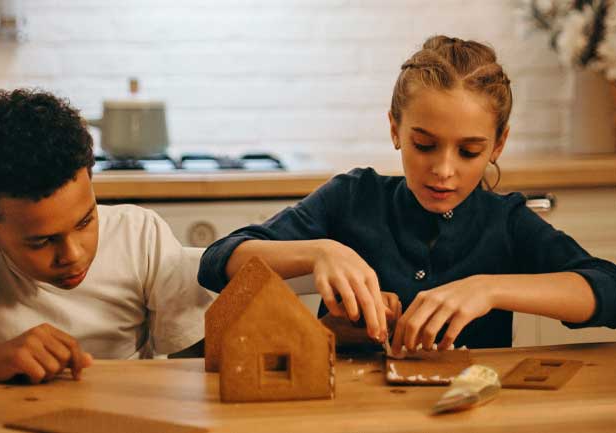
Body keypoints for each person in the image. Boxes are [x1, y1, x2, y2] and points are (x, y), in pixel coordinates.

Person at [197, 35, 616, 355]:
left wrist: (489, 289)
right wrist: (319, 252)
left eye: (469, 152)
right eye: (424, 144)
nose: (443, 170)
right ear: (395, 129)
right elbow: (218, 261)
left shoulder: (504, 221)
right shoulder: (352, 197)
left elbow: (609, 289)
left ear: (498, 145)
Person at [0, 89, 212, 384]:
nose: (72, 254)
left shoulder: (140, 236)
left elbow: (193, 362)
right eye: (42, 241)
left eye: (86, 220)